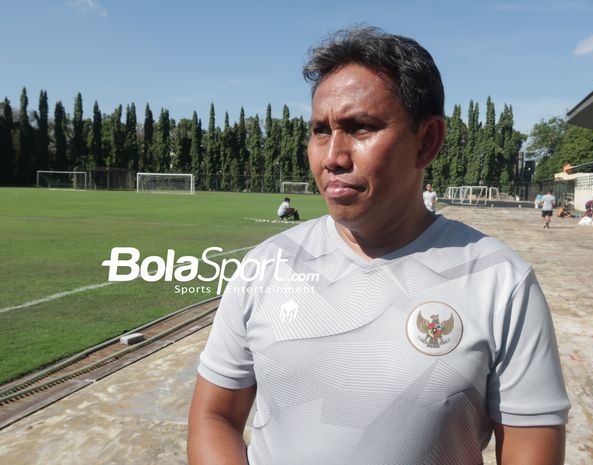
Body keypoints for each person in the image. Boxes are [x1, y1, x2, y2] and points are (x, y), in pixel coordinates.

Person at [188, 27, 569, 465]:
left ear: (427, 141)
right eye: (319, 131)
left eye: (360, 128)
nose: (332, 156)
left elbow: (529, 450)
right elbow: (213, 415)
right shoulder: (266, 266)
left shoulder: (501, 283)